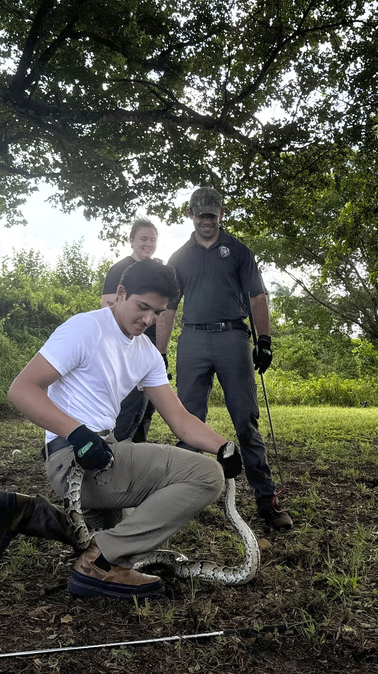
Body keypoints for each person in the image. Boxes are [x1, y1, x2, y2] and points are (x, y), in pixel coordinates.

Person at [0, 258, 243, 600]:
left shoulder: (147, 353)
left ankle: (25, 512)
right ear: (120, 293)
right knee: (207, 476)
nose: (149, 319)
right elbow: (22, 389)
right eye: (142, 307)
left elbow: (179, 418)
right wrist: (77, 433)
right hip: (73, 456)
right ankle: (99, 564)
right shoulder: (85, 329)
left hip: (104, 453)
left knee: (111, 535)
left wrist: (223, 446)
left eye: (159, 312)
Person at [158, 187, 293, 532]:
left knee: (245, 420)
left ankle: (267, 502)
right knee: (187, 419)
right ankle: (181, 501)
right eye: (201, 214)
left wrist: (264, 339)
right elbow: (168, 308)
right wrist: (159, 351)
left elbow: (258, 295)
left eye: (212, 213)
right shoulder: (178, 258)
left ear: (221, 213)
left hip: (233, 337)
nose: (207, 219)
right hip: (193, 339)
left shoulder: (238, 251)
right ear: (190, 214)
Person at [101, 219, 161, 442]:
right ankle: (115, 451)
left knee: (147, 405)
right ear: (132, 240)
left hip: (151, 345)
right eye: (143, 239)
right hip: (125, 346)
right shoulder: (119, 269)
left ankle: (138, 450)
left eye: (152, 239)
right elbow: (107, 307)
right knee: (130, 402)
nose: (148, 244)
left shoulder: (156, 270)